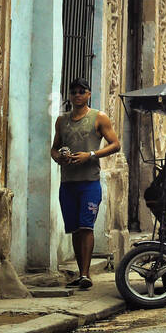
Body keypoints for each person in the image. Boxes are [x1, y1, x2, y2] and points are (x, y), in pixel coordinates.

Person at [51, 78, 121, 289]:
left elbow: (115, 144)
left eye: (82, 91)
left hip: (89, 182)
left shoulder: (98, 117)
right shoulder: (62, 121)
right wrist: (59, 157)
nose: (78, 95)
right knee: (74, 229)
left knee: (86, 227)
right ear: (69, 96)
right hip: (68, 183)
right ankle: (81, 274)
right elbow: (54, 149)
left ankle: (85, 274)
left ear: (89, 94)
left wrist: (90, 155)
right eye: (74, 92)